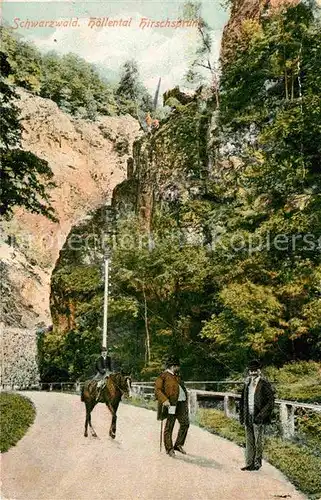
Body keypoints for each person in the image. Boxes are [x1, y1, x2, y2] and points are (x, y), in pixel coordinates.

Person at [239, 359, 275, 471]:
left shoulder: (264, 384)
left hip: (258, 416)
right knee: (249, 440)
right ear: (249, 372)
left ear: (259, 371)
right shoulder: (247, 384)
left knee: (258, 441)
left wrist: (261, 415)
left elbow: (270, 402)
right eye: (251, 370)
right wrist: (242, 416)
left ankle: (257, 463)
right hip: (248, 416)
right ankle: (249, 463)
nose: (253, 372)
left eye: (255, 370)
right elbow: (242, 401)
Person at [154, 356, 189, 458]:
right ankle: (169, 449)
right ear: (173, 366)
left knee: (185, 423)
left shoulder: (177, 376)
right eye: (177, 366)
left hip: (181, 404)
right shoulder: (163, 376)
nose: (179, 368)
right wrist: (164, 400)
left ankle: (178, 444)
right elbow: (157, 390)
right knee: (170, 426)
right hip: (171, 404)